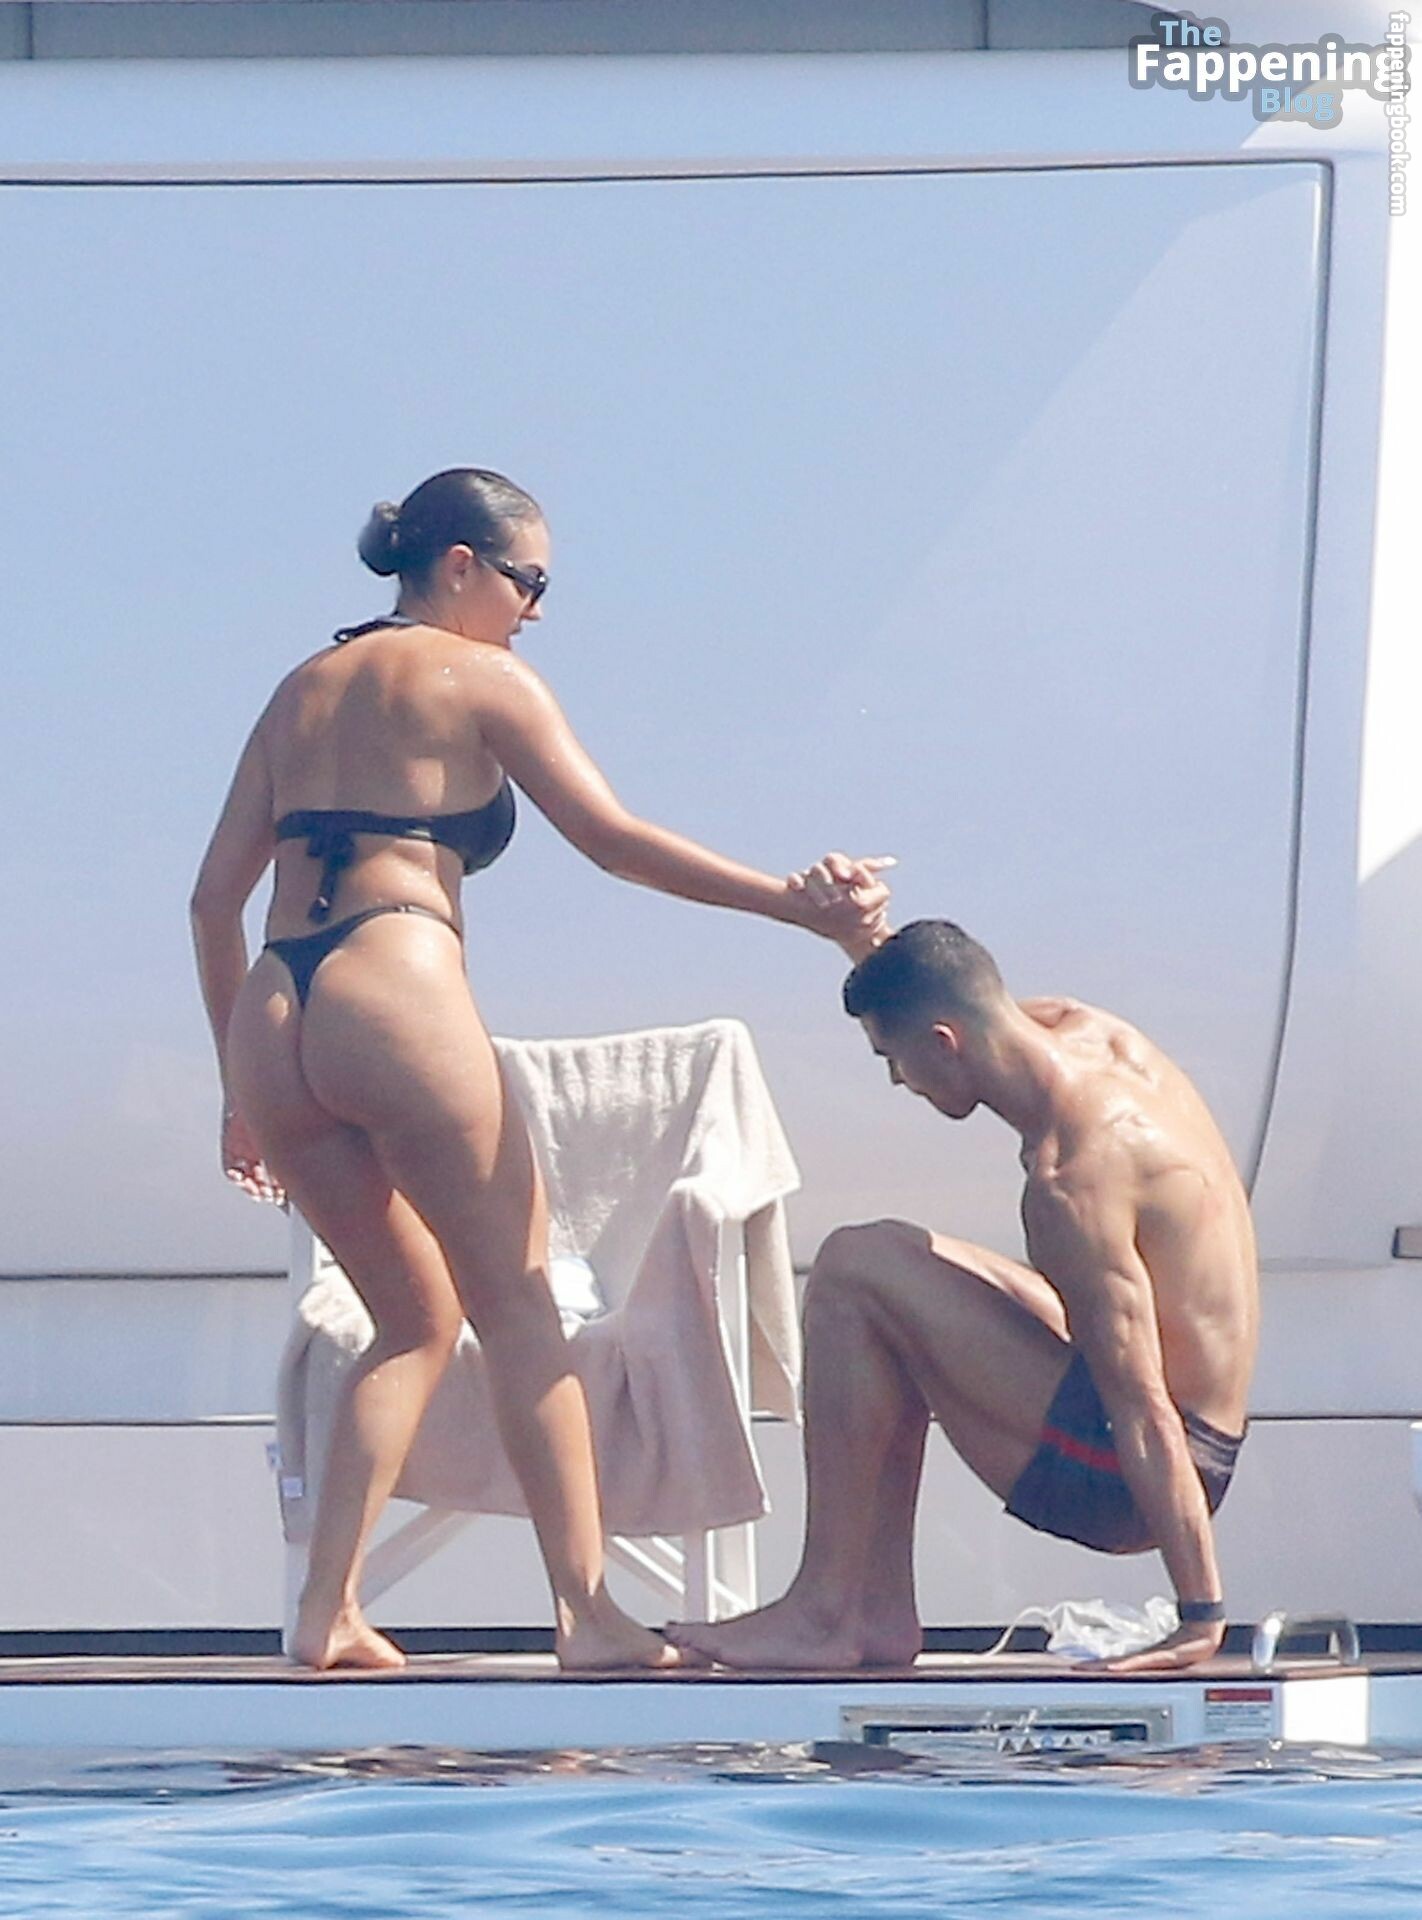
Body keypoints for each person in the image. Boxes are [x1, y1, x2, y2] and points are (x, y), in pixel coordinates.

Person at [190, 467, 892, 1673]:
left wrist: (234, 1091)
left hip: (273, 1009)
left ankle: (327, 1612)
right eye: (529, 582)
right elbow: (615, 843)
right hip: (391, 984)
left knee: (410, 1319)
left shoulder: (299, 688)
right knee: (518, 1307)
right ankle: (589, 1617)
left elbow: (212, 903)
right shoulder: (480, 678)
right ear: (460, 565)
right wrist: (796, 906)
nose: (537, 611)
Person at [670, 917, 1257, 1676]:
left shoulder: (1072, 1181)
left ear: (943, 1044)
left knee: (853, 1270)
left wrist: (1200, 1616)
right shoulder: (1091, 1033)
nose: (897, 1081)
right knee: (898, 1266)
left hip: (1129, 1482)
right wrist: (861, 942)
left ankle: (826, 1611)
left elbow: (1140, 1404)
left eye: (892, 1058)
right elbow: (945, 984)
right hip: (1188, 1431)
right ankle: (873, 1611)